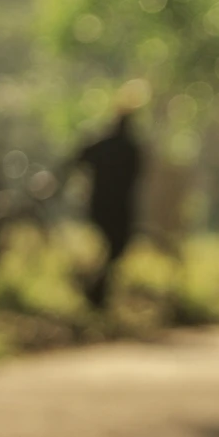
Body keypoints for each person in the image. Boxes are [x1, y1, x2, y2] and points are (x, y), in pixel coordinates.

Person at [74, 112, 143, 310]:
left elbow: (77, 160)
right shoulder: (130, 148)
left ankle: (96, 289)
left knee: (113, 250)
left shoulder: (105, 145)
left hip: (102, 207)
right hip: (117, 209)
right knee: (114, 249)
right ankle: (96, 289)